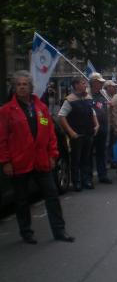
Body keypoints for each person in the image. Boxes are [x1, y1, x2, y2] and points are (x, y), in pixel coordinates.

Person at [0, 71, 74, 244]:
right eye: (19, 84)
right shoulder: (6, 111)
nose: (22, 87)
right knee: (21, 200)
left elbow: (50, 135)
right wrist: (6, 162)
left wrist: (53, 155)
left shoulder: (40, 107)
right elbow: (2, 138)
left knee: (52, 195)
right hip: (19, 162)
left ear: (31, 87)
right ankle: (26, 232)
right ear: (14, 87)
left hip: (41, 161)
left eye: (25, 84)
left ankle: (59, 231)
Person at [58, 76, 99, 190]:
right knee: (76, 159)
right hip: (77, 134)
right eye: (83, 83)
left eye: (85, 83)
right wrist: (71, 132)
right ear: (76, 85)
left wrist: (97, 125)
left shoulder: (88, 97)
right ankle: (76, 182)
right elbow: (62, 116)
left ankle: (86, 180)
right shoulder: (69, 100)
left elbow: (92, 112)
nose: (85, 85)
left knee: (86, 158)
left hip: (88, 132)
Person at [89, 72, 111, 184]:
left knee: (101, 151)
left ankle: (102, 175)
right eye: (99, 82)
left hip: (103, 126)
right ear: (93, 83)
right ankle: (88, 177)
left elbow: (108, 105)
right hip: (91, 127)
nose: (101, 84)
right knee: (88, 152)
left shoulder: (103, 94)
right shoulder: (87, 95)